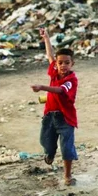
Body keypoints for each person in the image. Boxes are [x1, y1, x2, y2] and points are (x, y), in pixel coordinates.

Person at [31, 28, 79, 186]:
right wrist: (46, 38)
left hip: (65, 118)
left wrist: (42, 87)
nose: (63, 65)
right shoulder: (54, 72)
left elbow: (59, 90)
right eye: (60, 63)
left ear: (72, 64)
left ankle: (67, 176)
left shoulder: (71, 80)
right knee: (46, 141)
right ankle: (50, 153)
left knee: (67, 148)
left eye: (67, 63)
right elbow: (50, 56)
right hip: (49, 116)